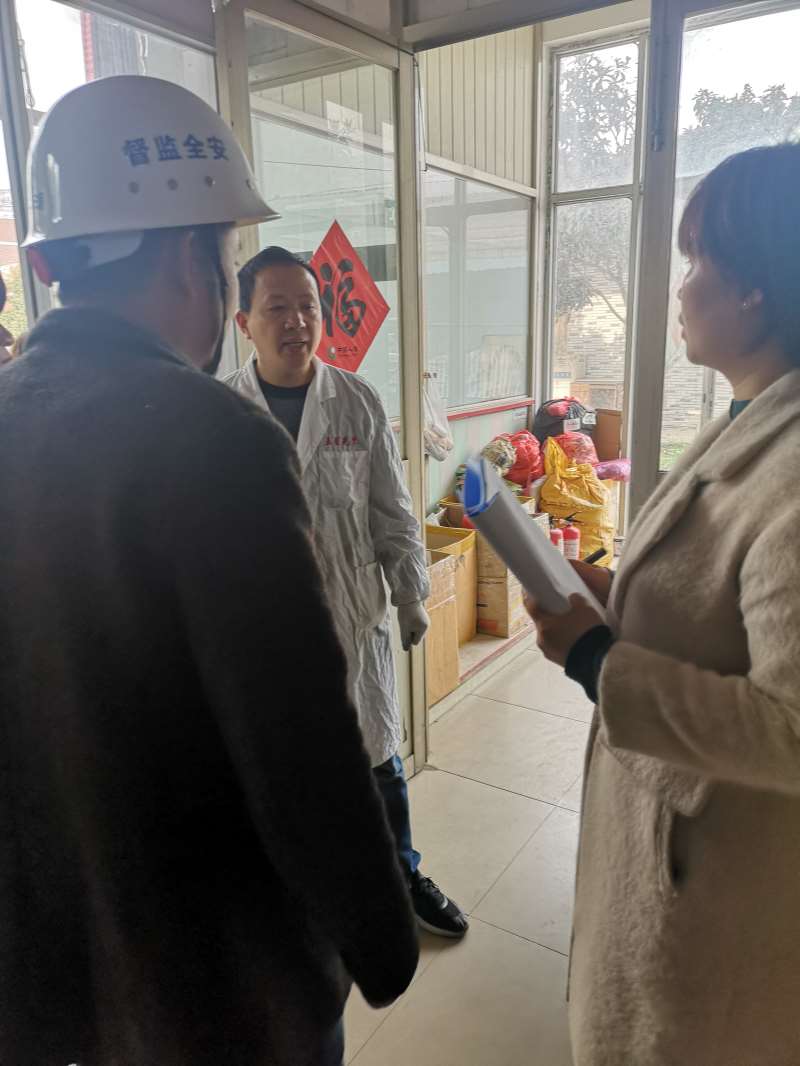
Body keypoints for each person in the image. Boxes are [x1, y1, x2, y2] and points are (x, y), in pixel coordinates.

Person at [0, 75, 419, 1066]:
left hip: (54, 974)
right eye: (233, 259)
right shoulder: (213, 435)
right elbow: (295, 737)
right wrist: (380, 936)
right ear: (194, 257)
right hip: (219, 983)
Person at [525, 142, 800, 1066]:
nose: (680, 289)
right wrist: (618, 599)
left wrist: (598, 659)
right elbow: (716, 611)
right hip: (671, 846)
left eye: (695, 263)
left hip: (717, 887)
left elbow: (792, 727)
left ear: (754, 287)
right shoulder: (749, 417)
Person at [226, 246, 468, 939]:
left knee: (379, 758)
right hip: (263, 633)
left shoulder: (356, 400)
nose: (296, 321)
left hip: (353, 619)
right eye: (277, 308)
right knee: (282, 768)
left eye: (308, 306)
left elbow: (392, 509)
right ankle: (300, 896)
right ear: (245, 323)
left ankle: (402, 876)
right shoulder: (223, 413)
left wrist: (412, 593)